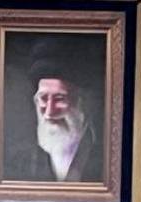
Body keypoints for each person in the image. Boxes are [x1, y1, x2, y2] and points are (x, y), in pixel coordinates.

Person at [6, 38, 102, 183]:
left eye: (59, 98)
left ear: (83, 104)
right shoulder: (20, 162)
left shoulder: (104, 158)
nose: (49, 112)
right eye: (43, 98)